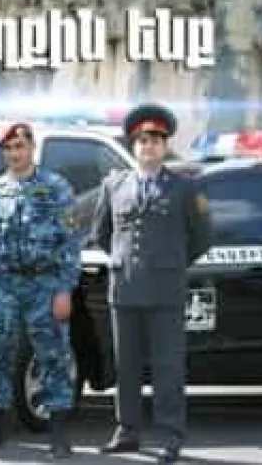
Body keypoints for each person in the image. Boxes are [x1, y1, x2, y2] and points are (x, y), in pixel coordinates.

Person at [91, 104, 210, 464]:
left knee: (167, 369)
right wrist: (125, 262)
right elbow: (101, 234)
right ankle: (126, 431)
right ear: (134, 145)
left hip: (165, 292)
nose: (149, 146)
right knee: (126, 368)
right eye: (143, 140)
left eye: (156, 140)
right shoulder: (114, 185)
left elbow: (201, 238)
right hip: (125, 289)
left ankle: (170, 436)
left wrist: (170, 264)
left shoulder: (184, 188)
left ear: (165, 146)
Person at [0, 122, 81, 457]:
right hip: (2, 285)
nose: (14, 153)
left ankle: (58, 431)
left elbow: (71, 242)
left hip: (45, 284)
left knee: (53, 355)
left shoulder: (56, 187)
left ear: (32, 148)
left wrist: (65, 289)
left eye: (20, 146)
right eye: (8, 148)